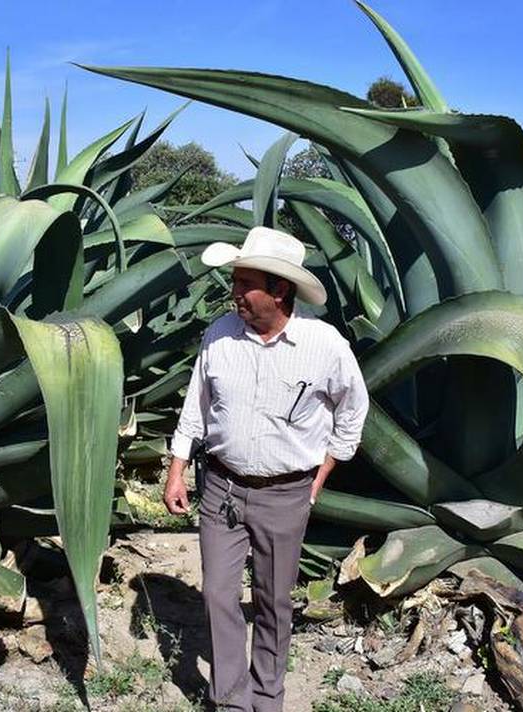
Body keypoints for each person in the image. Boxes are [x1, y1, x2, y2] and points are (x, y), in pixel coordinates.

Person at [163, 226, 370, 712]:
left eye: (243, 284)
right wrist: (176, 469)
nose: (233, 292)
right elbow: (196, 407)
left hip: (286, 494)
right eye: (234, 282)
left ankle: (268, 698)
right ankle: (231, 700)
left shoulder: (325, 346)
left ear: (278, 290)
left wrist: (317, 479)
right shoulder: (219, 336)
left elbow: (352, 413)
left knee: (274, 602)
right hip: (220, 487)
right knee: (217, 594)